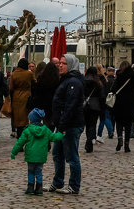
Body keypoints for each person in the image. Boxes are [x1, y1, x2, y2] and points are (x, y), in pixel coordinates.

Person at [48, 54, 84, 195]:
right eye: (60, 63)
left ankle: (74, 185)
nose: (60, 65)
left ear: (70, 65)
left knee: (71, 156)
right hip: (62, 124)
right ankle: (58, 182)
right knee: (57, 153)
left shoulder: (74, 82)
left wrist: (62, 125)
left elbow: (71, 106)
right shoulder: (65, 80)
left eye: (64, 63)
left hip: (70, 125)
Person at [11, 108, 62, 196]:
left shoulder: (27, 130)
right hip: (41, 157)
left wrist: (13, 152)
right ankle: (39, 189)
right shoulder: (46, 130)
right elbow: (54, 137)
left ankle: (30, 188)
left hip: (30, 156)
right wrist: (62, 134)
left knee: (31, 172)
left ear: (30, 120)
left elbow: (20, 142)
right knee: (39, 172)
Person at [110, 58, 134, 152]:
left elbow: (113, 88)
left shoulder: (118, 75)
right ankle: (127, 144)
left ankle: (120, 139)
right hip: (129, 102)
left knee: (119, 122)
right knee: (128, 124)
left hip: (119, 102)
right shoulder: (133, 76)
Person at [9, 58, 35, 138]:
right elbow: (35, 83)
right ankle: (24, 136)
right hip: (27, 96)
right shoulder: (29, 74)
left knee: (18, 118)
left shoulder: (13, 74)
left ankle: (19, 135)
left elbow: (11, 88)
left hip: (16, 97)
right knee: (25, 118)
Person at [82, 66, 104, 153]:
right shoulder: (98, 82)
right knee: (92, 125)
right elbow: (102, 97)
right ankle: (89, 142)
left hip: (84, 105)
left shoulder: (83, 81)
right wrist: (102, 108)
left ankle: (86, 141)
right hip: (95, 106)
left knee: (84, 124)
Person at [99, 66, 116, 139]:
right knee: (111, 117)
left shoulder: (106, 80)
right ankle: (111, 131)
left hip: (106, 100)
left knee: (105, 117)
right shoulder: (115, 80)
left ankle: (110, 131)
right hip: (113, 100)